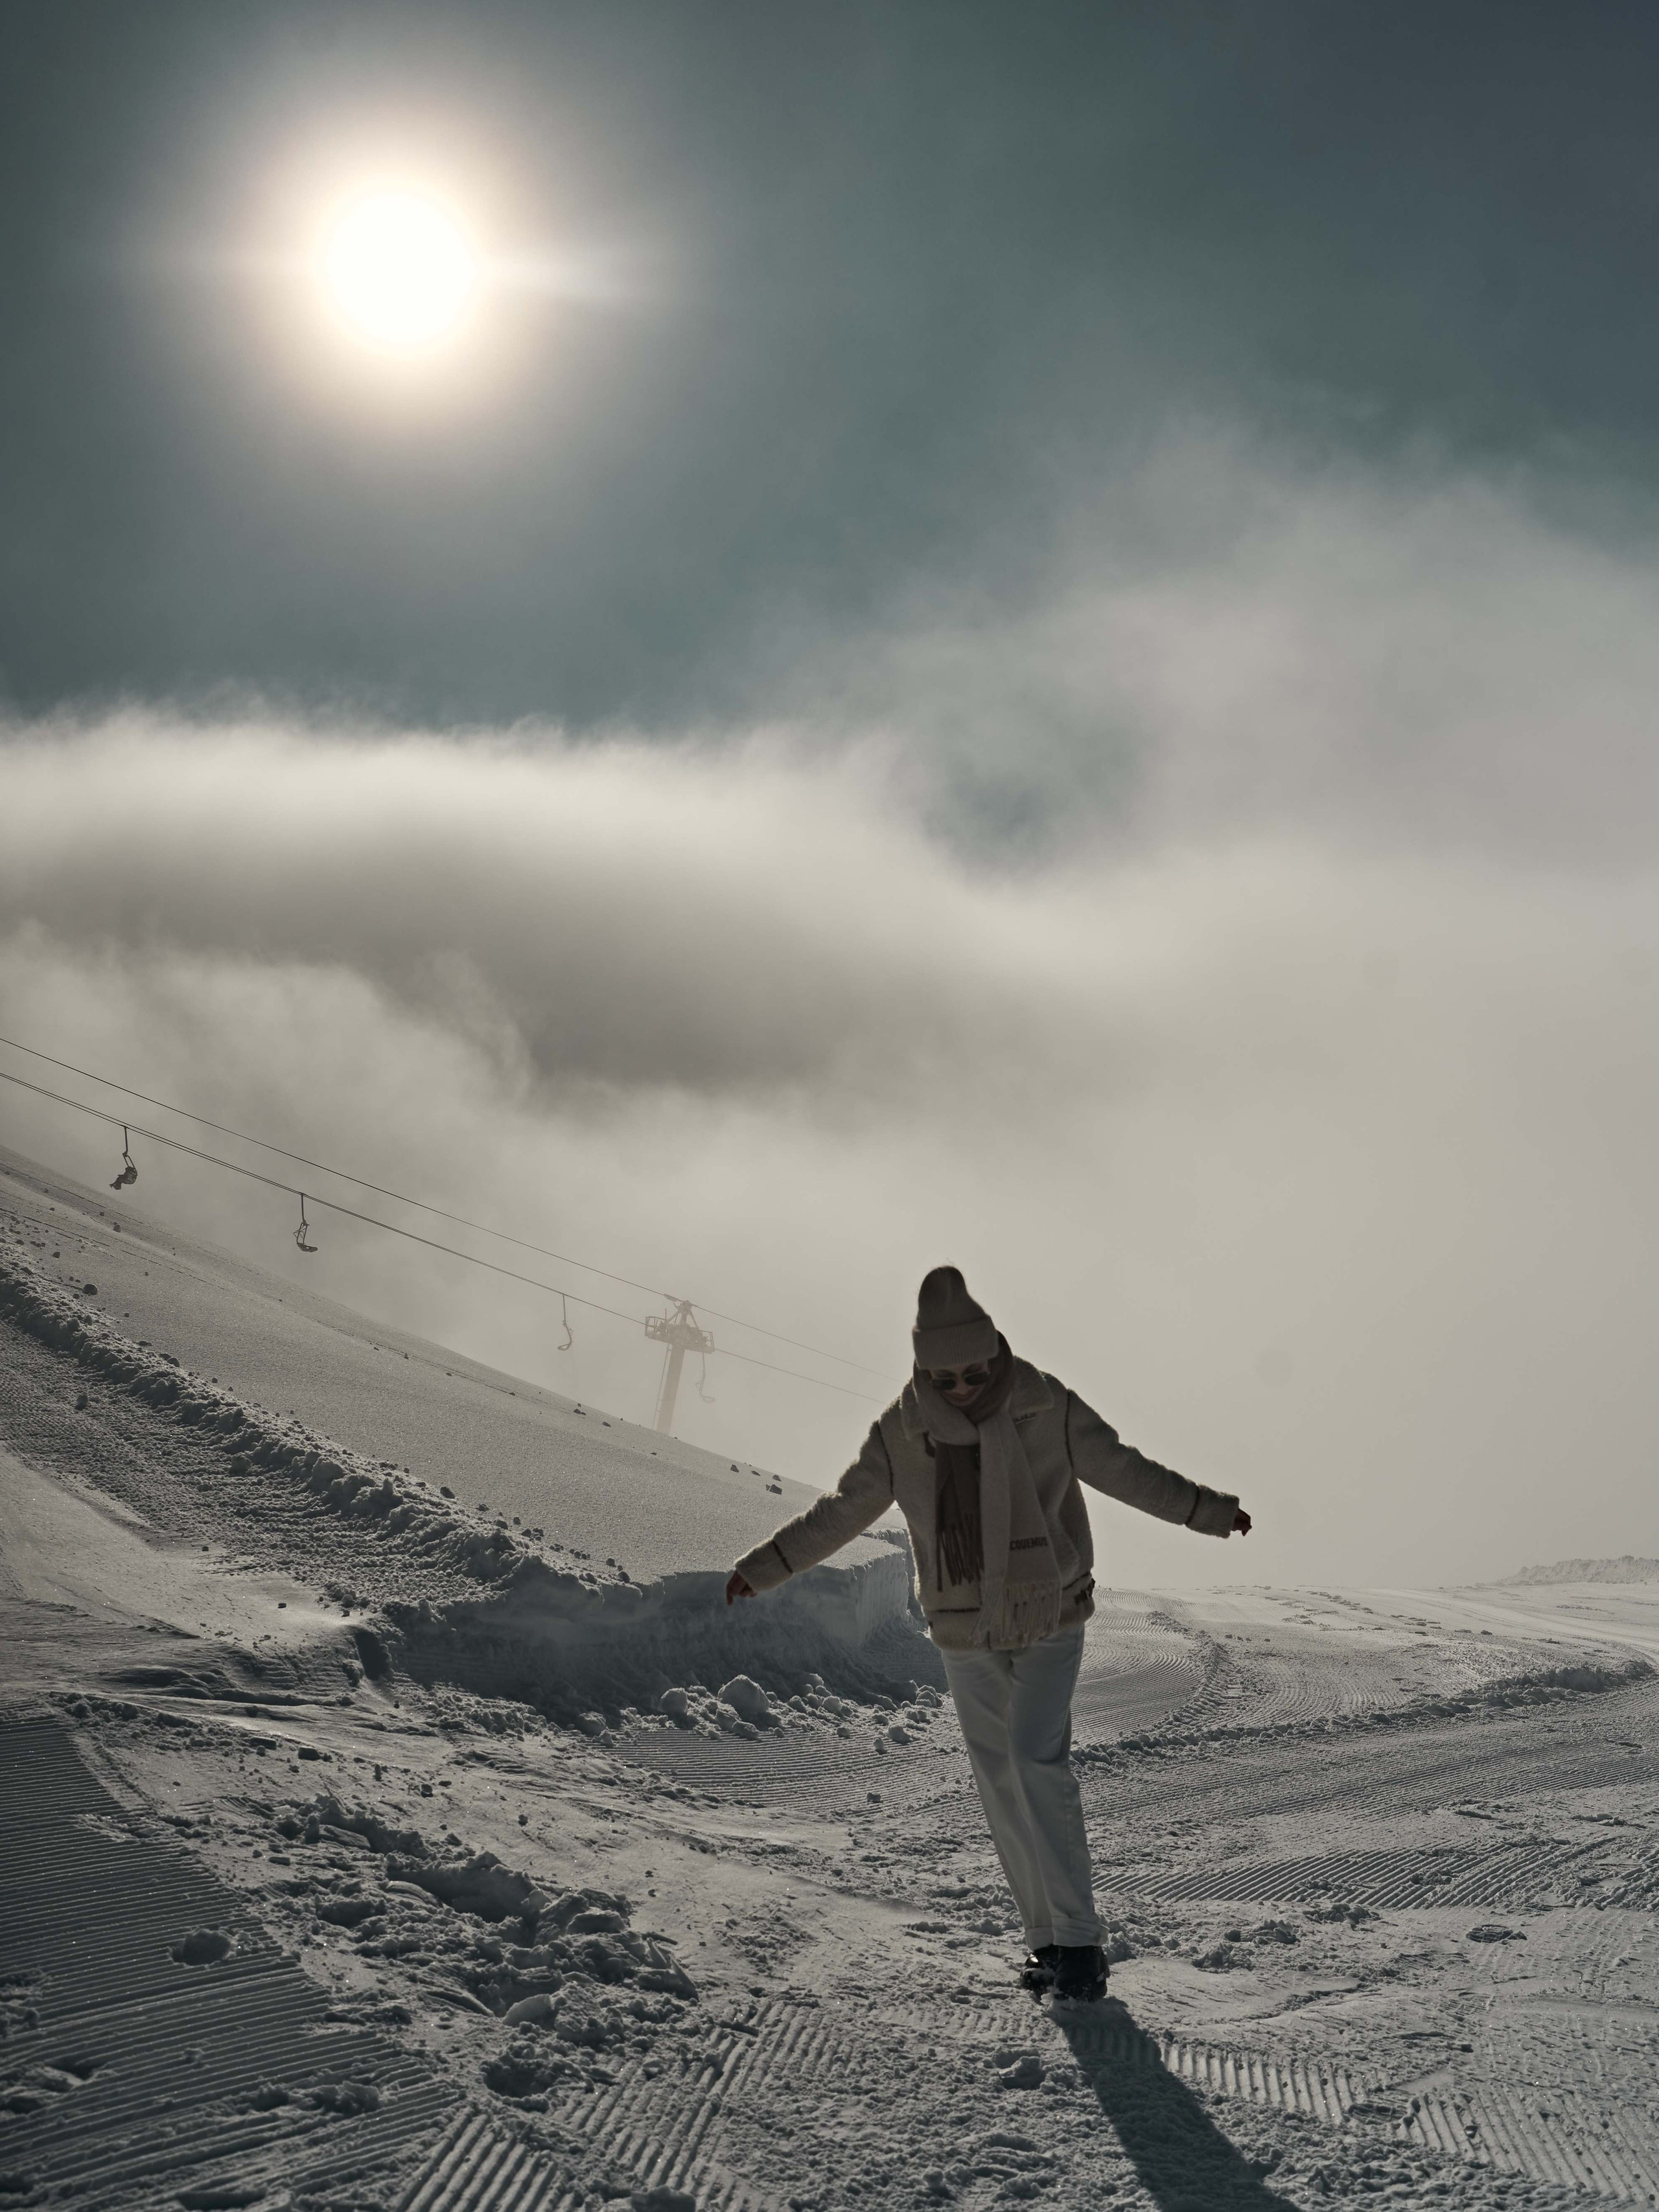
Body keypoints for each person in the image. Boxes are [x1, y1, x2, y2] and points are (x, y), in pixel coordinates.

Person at [726, 1264, 1251, 2003]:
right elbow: (844, 1509)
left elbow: (1123, 1467)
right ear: (922, 1368)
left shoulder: (1044, 1401)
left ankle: (1080, 1945)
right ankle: (1044, 1939)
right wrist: (769, 1564)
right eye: (946, 1376)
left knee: (1038, 1763)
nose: (964, 1386)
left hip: (1047, 1614)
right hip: (963, 1631)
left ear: (995, 1351)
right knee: (999, 1782)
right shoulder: (900, 1430)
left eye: (975, 1370)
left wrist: (1205, 1509)